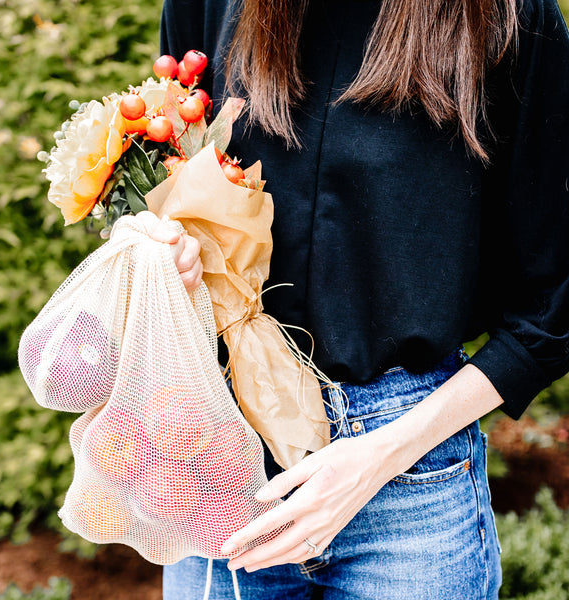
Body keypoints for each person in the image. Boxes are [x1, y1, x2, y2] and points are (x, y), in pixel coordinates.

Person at [158, 0, 569, 598]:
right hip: (220, 453)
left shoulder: (510, 19)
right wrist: (164, 252)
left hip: (411, 481)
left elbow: (552, 309)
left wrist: (380, 456)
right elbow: (164, 171)